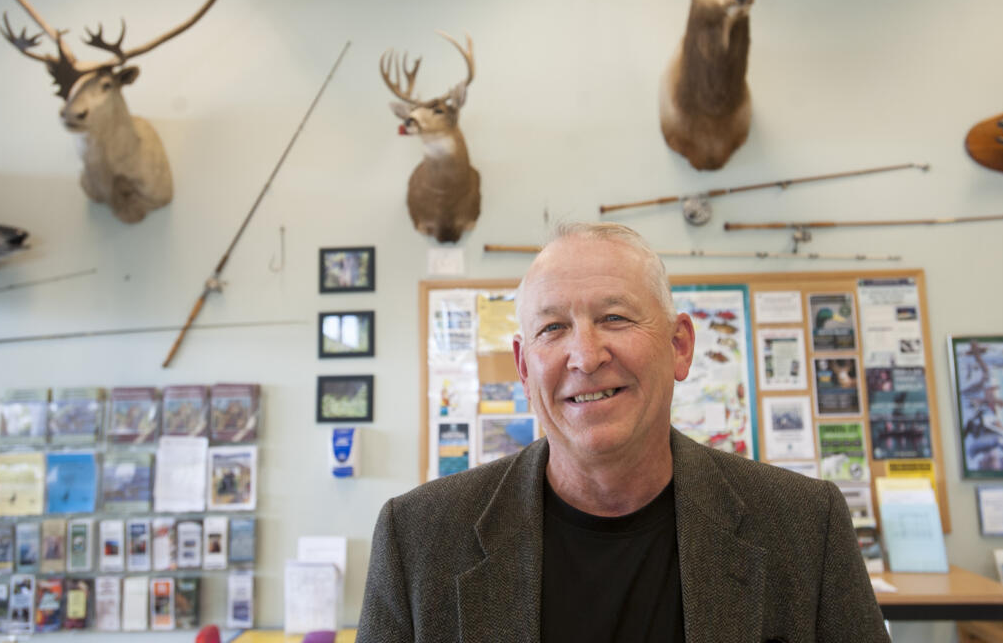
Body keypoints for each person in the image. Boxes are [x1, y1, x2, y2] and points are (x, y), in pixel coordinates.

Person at [357, 222, 888, 642]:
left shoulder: (803, 526)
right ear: (523, 368)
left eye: (614, 317)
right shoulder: (420, 539)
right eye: (552, 328)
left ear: (680, 346)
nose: (585, 356)